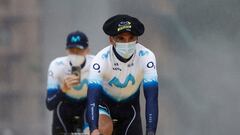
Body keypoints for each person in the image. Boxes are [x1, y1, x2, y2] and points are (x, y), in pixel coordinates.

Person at [87, 14, 159, 135]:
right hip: (103, 107)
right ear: (111, 40)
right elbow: (92, 98)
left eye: (131, 38)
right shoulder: (100, 60)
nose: (127, 43)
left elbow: (151, 98)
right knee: (104, 128)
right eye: (121, 38)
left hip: (130, 110)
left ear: (137, 39)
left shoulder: (147, 57)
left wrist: (151, 131)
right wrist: (93, 129)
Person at [46, 31, 94, 135]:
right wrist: (63, 89)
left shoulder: (95, 63)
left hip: (86, 106)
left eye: (79, 50)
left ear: (87, 51)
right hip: (65, 108)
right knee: (60, 107)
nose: (75, 54)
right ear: (66, 51)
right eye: (72, 50)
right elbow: (49, 104)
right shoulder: (57, 65)